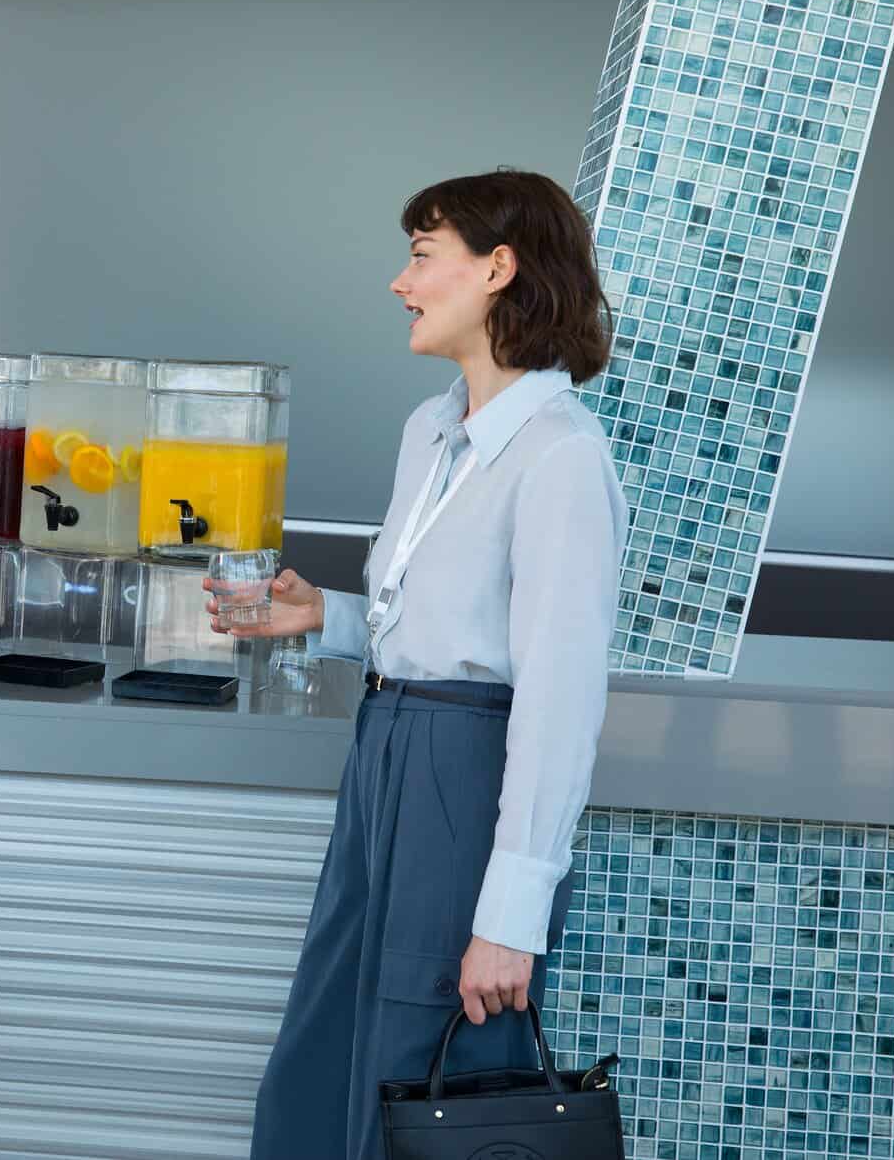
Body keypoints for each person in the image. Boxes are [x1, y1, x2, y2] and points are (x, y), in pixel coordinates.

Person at [211, 170, 628, 1160]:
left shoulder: (560, 455)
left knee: (420, 1059)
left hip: (462, 776)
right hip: (386, 752)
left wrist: (510, 916)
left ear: (496, 267)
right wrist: (332, 617)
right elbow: (445, 627)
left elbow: (556, 700)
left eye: (419, 255)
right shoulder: (430, 432)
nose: (400, 283)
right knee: (329, 1041)